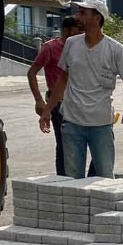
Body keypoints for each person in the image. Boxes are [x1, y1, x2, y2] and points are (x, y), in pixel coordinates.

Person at [40, 0, 123, 179]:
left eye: (83, 13)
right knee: (73, 179)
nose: (77, 16)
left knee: (105, 177)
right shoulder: (71, 44)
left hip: (100, 124)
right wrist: (47, 110)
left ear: (97, 18)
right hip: (71, 122)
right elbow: (62, 79)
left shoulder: (115, 49)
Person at [28, 15, 81, 175]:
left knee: (83, 142)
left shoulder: (80, 47)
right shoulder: (50, 48)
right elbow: (32, 72)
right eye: (77, 30)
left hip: (78, 101)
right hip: (58, 103)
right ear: (66, 30)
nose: (81, 33)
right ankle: (63, 179)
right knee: (64, 143)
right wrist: (38, 100)